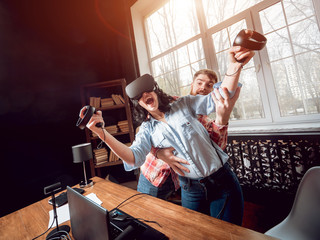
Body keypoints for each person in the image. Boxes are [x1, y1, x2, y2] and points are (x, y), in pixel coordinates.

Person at [82, 43, 254, 225]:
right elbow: (132, 158)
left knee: (228, 233)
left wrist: (234, 67)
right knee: (193, 233)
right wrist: (101, 132)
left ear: (156, 90)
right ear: (138, 103)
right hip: (188, 188)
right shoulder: (147, 129)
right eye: (140, 96)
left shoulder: (185, 103)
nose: (145, 95)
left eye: (149, 90)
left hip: (222, 181)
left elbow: (220, 97)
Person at [137, 69, 239, 201]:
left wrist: (223, 119)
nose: (203, 88)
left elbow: (217, 149)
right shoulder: (170, 103)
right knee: (145, 211)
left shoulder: (208, 122)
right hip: (153, 173)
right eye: (200, 82)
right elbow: (143, 130)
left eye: (209, 85)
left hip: (182, 180)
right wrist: (157, 152)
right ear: (192, 84)